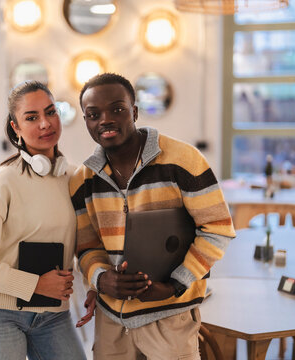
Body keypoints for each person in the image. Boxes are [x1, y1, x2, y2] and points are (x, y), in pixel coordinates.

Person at [70, 73, 236, 359]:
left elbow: (217, 229)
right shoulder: (82, 181)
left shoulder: (183, 161)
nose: (105, 120)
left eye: (117, 109)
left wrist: (175, 285)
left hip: (170, 318)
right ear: (86, 121)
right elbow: (86, 246)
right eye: (93, 114)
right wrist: (100, 279)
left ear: (134, 111)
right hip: (111, 321)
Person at [0, 81, 86, 360]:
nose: (45, 124)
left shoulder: (74, 179)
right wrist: (35, 285)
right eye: (31, 117)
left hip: (52, 315)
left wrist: (97, 283)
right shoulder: (2, 182)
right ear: (15, 128)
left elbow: (87, 243)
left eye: (51, 112)